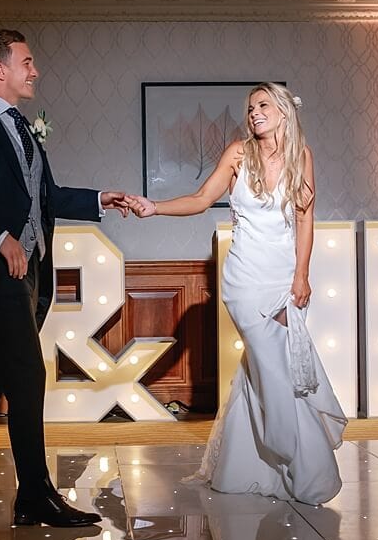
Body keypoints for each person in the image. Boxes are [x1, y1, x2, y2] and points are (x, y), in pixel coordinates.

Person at [0, 29, 130, 527]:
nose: (34, 70)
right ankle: (35, 496)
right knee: (27, 375)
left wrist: (100, 198)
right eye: (27, 61)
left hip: (30, 275)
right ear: (0, 69)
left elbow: (46, 197)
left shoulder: (24, 129)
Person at [127, 83, 347, 505]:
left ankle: (249, 467)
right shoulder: (237, 154)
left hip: (282, 279)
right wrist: (154, 207)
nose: (254, 113)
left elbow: (305, 219)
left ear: (284, 111)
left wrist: (302, 274)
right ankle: (301, 466)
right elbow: (201, 198)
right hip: (244, 280)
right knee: (273, 370)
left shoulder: (302, 156)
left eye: (263, 105)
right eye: (250, 108)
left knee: (267, 369)